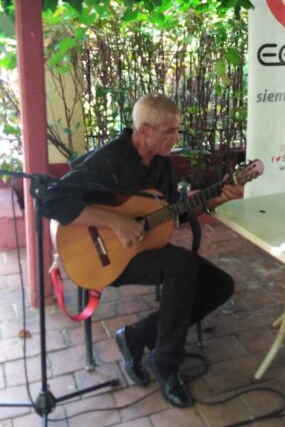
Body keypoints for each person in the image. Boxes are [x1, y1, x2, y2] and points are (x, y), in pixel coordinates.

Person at [42, 93, 243, 408]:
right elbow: (50, 200)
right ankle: (166, 363)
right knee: (182, 266)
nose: (176, 138)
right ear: (144, 130)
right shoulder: (107, 160)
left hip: (140, 251)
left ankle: (136, 337)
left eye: (177, 130)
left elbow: (175, 210)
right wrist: (115, 221)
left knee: (221, 284)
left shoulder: (161, 163)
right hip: (103, 257)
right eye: (169, 131)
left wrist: (218, 197)